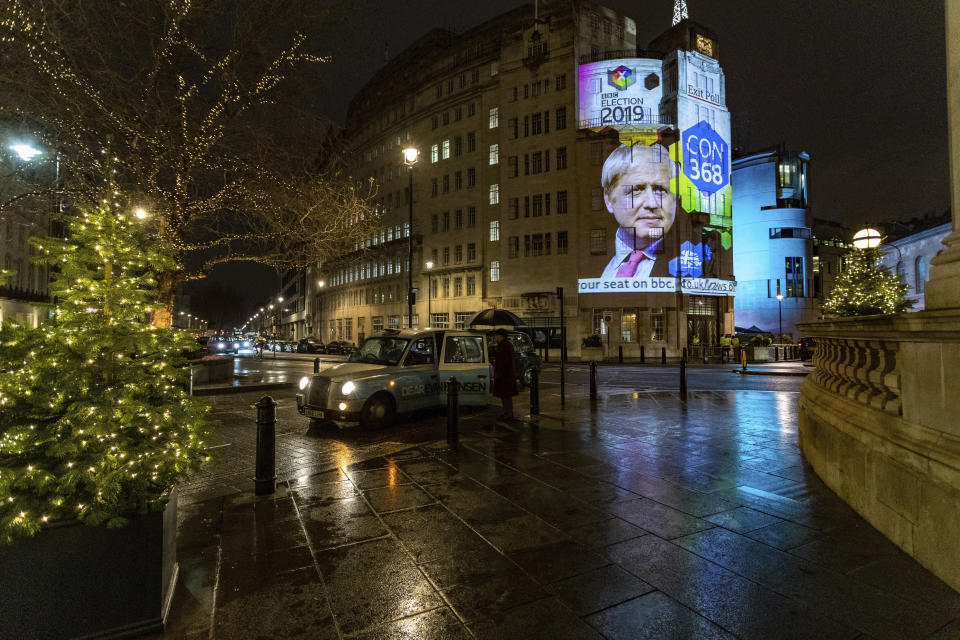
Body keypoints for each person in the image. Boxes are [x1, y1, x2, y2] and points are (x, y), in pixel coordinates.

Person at [599, 142, 686, 279]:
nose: (652, 203)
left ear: (676, 199)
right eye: (636, 190)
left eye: (661, 190)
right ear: (609, 199)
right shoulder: (588, 263)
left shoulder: (694, 262)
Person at [492, 328, 518, 420]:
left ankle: (507, 413)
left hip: (504, 375)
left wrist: (498, 374)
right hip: (507, 374)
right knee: (506, 395)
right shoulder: (505, 345)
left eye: (497, 335)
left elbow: (503, 361)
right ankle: (508, 413)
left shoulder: (504, 346)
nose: (496, 337)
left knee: (505, 395)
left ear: (500, 336)